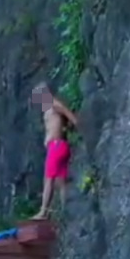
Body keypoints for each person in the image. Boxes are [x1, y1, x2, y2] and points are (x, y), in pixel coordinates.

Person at [31, 82, 79, 220]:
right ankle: (65, 209)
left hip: (56, 146)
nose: (39, 102)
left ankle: (43, 211)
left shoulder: (54, 104)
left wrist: (74, 126)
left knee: (48, 179)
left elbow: (71, 117)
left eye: (39, 98)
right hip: (59, 146)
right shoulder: (49, 108)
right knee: (60, 181)